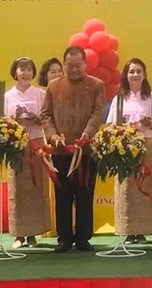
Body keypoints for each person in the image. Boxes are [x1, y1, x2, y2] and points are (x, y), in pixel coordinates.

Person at [41, 46, 105, 253]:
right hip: (60, 151)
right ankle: (64, 239)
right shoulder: (53, 86)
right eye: (70, 65)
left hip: (85, 151)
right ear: (64, 64)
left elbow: (97, 113)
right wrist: (52, 136)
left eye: (78, 65)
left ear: (85, 64)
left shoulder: (96, 85)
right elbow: (45, 115)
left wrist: (86, 135)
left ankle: (84, 238)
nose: (74, 69)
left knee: (85, 194)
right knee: (62, 196)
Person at [106, 58, 152, 244]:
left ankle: (142, 231)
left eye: (138, 71)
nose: (135, 75)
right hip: (125, 147)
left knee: (144, 185)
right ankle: (127, 230)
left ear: (144, 75)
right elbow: (111, 125)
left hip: (146, 144)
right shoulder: (119, 99)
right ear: (126, 76)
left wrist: (149, 123)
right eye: (131, 71)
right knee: (126, 188)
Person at [5, 57, 51, 248]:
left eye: (29, 69)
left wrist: (36, 118)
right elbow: (3, 121)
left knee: (35, 186)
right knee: (17, 189)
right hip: (16, 144)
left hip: (36, 142)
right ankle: (19, 234)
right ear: (15, 72)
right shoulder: (8, 95)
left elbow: (47, 118)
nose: (25, 73)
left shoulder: (41, 94)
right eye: (21, 69)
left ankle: (34, 233)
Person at [37, 57, 63, 240]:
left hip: (62, 143)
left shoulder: (65, 91)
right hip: (45, 141)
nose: (57, 74)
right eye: (52, 71)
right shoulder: (40, 94)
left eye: (59, 70)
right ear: (45, 76)